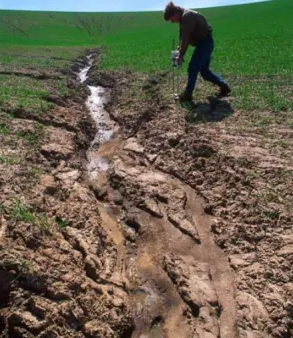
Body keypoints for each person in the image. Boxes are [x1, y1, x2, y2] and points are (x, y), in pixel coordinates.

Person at [164, 2, 231, 102]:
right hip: (204, 43)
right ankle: (224, 86)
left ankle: (188, 94)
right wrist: (178, 51)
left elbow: (186, 39)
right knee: (204, 72)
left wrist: (180, 55)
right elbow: (182, 37)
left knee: (192, 68)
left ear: (174, 14)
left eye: (171, 19)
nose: (172, 22)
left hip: (205, 43)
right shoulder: (183, 18)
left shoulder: (187, 16)